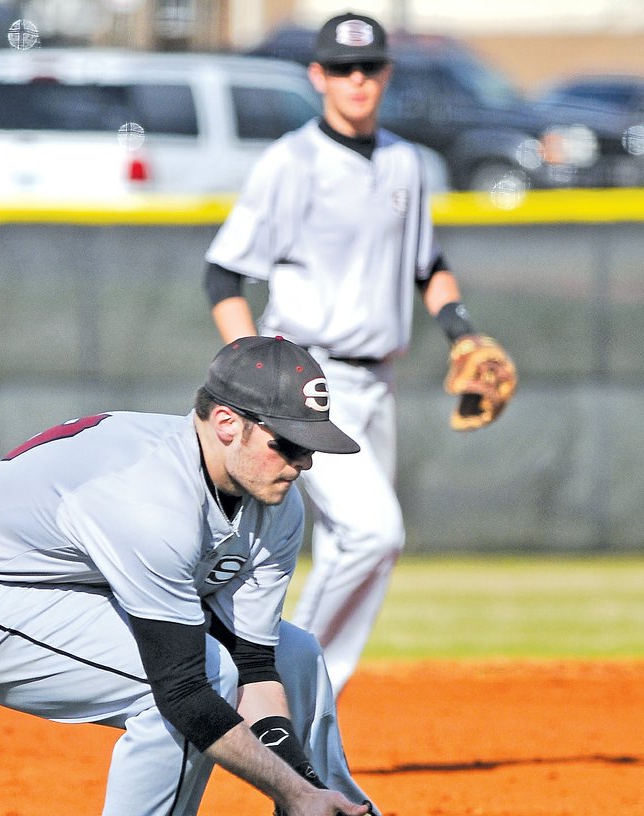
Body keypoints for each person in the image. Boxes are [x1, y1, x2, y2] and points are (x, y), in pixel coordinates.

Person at [0, 336, 489, 816]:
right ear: (226, 424)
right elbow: (186, 692)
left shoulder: (275, 503)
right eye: (287, 443)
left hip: (81, 585)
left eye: (311, 445)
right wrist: (294, 795)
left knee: (295, 653)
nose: (302, 462)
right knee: (191, 684)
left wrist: (301, 791)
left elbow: (257, 666)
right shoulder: (149, 496)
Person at [204, 12, 510, 699]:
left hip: (379, 382)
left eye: (369, 67)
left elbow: (427, 263)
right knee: (376, 533)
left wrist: (461, 331)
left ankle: (310, 711)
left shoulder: (406, 162)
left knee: (355, 550)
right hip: (307, 380)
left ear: (386, 74)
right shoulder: (292, 161)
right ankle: (272, 681)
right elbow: (223, 275)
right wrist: (257, 379)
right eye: (342, 68)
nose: (357, 80)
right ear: (317, 76)